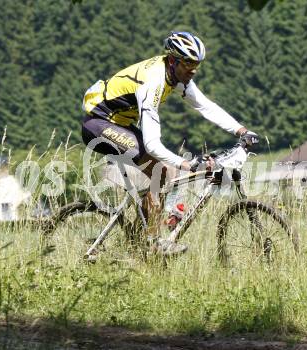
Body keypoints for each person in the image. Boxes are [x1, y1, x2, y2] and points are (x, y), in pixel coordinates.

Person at [81, 31, 259, 255]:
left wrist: (241, 130)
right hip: (98, 125)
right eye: (188, 64)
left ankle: (142, 240)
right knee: (163, 172)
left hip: (120, 123)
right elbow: (153, 144)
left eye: (197, 64)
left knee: (167, 174)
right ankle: (152, 243)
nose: (193, 70)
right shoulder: (152, 83)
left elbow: (204, 106)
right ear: (173, 60)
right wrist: (188, 164)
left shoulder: (176, 75)